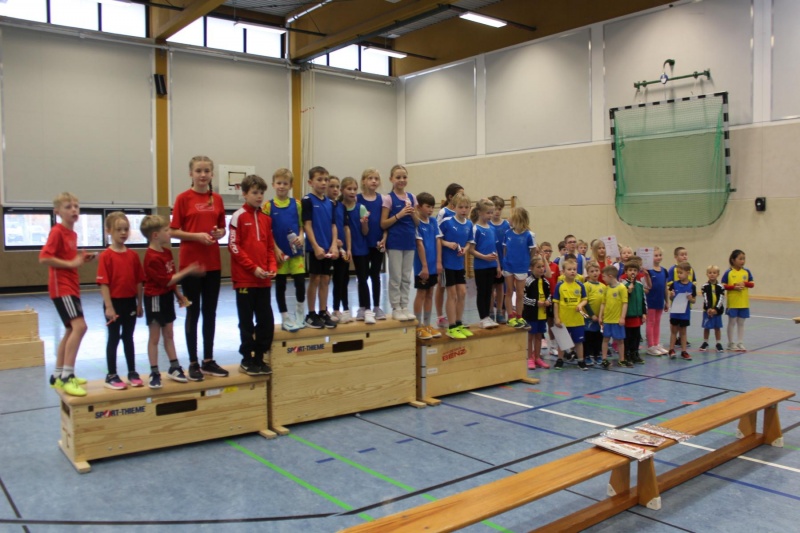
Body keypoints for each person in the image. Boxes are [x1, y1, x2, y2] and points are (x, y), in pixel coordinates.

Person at [170, 155, 229, 381]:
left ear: (212, 174)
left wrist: (219, 233)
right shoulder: (183, 198)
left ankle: (208, 360)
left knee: (210, 313)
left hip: (212, 264)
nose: (203, 175)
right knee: (193, 312)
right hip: (191, 266)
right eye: (198, 171)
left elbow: (222, 228)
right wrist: (196, 236)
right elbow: (173, 231)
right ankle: (193, 362)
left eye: (206, 171)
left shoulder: (217, 199)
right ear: (191, 174)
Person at [39, 192, 96, 397]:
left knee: (70, 329)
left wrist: (80, 259)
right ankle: (67, 376)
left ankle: (57, 375)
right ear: (57, 212)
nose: (74, 210)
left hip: (72, 286)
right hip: (61, 287)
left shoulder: (72, 234)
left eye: (76, 206)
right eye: (68, 207)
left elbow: (69, 259)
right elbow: (44, 257)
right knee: (80, 327)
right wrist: (71, 263)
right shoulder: (57, 232)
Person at [140, 215, 201, 389]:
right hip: (155, 298)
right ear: (155, 235)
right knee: (154, 337)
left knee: (169, 334)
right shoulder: (151, 257)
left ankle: (174, 367)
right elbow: (166, 280)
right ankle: (154, 372)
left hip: (167, 297)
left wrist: (178, 295)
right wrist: (188, 270)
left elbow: (171, 279)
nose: (170, 233)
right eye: (166, 230)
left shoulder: (167, 252)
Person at [229, 174, 277, 376]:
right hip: (245, 280)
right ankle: (247, 359)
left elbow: (269, 248)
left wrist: (272, 267)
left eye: (261, 193)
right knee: (246, 322)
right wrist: (253, 268)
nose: (259, 196)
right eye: (254, 192)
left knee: (266, 321)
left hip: (263, 281)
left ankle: (259, 357)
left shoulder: (266, 219)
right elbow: (234, 246)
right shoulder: (238, 216)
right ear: (245, 194)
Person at [96, 211, 144, 390]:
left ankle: (132, 371)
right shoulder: (106, 256)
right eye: (118, 229)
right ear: (109, 231)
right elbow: (104, 284)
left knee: (128, 337)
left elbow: (139, 282)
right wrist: (109, 307)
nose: (123, 233)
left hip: (130, 302)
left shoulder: (133, 256)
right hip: (114, 304)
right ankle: (111, 374)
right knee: (114, 337)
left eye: (126, 229)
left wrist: (139, 304)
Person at [264, 168, 305, 332]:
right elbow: (267, 231)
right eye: (279, 183)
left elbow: (301, 226)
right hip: (279, 254)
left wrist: (301, 237)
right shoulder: (268, 206)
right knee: (280, 286)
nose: (282, 186)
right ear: (273, 184)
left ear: (290, 185)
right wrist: (275, 249)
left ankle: (300, 312)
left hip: (296, 254)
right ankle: (285, 316)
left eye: (285, 183)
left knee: (300, 284)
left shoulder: (297, 205)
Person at [380, 164, 418, 321]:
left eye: (404, 177)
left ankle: (404, 306)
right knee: (396, 277)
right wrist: (400, 214)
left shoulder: (412, 197)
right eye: (398, 177)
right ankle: (395, 307)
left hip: (409, 241)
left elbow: (417, 223)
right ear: (391, 179)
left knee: (406, 277)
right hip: (395, 242)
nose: (402, 180)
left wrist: (412, 213)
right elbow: (383, 223)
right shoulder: (388, 198)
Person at [303, 166, 338, 329]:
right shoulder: (308, 200)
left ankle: (323, 311)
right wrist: (316, 246)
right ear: (311, 182)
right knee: (315, 279)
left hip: (328, 248)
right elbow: (307, 225)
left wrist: (334, 245)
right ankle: (311, 314)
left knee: (325, 279)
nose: (323, 183)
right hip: (315, 249)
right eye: (319, 179)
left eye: (326, 180)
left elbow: (333, 226)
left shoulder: (331, 203)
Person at [437, 192, 473, 339]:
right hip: (448, 264)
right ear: (454, 207)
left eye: (466, 207)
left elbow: (469, 242)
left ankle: (458, 323)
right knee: (451, 295)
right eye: (460, 207)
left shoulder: (469, 224)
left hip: (459, 265)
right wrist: (447, 244)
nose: (463, 210)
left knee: (462, 293)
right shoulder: (446, 222)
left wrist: (466, 249)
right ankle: (451, 327)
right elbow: (437, 239)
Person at [357, 168, 388, 323]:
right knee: (362, 277)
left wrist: (384, 238)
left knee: (376, 275)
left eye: (376, 178)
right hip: (362, 243)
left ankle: (376, 306)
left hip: (377, 243)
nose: (374, 181)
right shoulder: (357, 199)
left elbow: (385, 223)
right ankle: (363, 307)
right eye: (370, 178)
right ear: (364, 181)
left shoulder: (383, 199)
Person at [342, 176, 372, 324]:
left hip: (360, 247)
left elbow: (365, 232)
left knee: (363, 279)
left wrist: (364, 223)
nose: (353, 192)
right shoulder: (338, 208)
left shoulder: (361, 208)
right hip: (344, 249)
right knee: (343, 279)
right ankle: (345, 310)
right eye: (349, 189)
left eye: (355, 189)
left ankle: (366, 309)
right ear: (342, 190)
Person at [435, 183, 464, 328]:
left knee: (458, 292)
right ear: (450, 197)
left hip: (457, 259)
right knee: (441, 286)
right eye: (459, 194)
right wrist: (446, 244)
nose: (462, 196)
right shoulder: (443, 213)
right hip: (444, 257)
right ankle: (440, 316)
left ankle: (456, 319)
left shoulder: (462, 212)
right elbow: (436, 235)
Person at [412, 192, 441, 340]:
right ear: (418, 207)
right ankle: (418, 326)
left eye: (432, 207)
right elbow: (419, 244)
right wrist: (424, 266)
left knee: (430, 293)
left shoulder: (433, 221)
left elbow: (438, 241)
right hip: (422, 266)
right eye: (427, 206)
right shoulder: (416, 223)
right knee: (421, 293)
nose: (430, 210)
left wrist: (438, 262)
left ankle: (427, 324)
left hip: (433, 265)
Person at [469, 199, 501, 329]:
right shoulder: (475, 229)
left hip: (492, 266)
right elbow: (471, 250)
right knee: (482, 292)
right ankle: (483, 318)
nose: (490, 215)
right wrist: (484, 257)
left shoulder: (492, 228)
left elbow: (495, 249)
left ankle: (487, 316)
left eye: (492, 212)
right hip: (481, 266)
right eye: (488, 213)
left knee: (489, 292)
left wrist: (498, 265)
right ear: (479, 212)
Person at [553, 257, 588, 370]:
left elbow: (585, 299)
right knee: (562, 342)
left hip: (577, 320)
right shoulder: (559, 286)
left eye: (574, 269)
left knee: (579, 342)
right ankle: (560, 360)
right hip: (564, 319)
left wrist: (581, 305)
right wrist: (556, 318)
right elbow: (556, 303)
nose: (572, 271)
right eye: (569, 269)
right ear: (563, 271)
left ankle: (581, 361)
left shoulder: (580, 285)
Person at [503, 207, 536, 328]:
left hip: (521, 267)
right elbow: (505, 249)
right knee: (509, 291)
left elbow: (533, 250)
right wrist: (505, 261)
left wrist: (527, 261)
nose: (508, 219)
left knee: (520, 293)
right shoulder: (507, 233)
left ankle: (519, 316)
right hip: (508, 266)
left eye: (510, 217)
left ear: (517, 219)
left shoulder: (529, 235)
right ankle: (510, 317)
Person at [328, 176, 353, 323]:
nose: (335, 189)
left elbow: (346, 228)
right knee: (329, 280)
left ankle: (344, 309)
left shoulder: (341, 207)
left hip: (342, 249)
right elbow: (324, 226)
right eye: (332, 186)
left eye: (337, 187)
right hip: (329, 248)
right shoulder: (325, 206)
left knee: (343, 279)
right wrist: (333, 241)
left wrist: (348, 248)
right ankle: (329, 309)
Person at [722, 249, 754, 352]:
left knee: (741, 323)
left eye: (744, 259)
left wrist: (745, 283)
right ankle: (731, 343)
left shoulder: (746, 272)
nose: (742, 261)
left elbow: (752, 284)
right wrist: (733, 287)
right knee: (732, 322)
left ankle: (740, 342)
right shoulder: (729, 272)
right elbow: (723, 285)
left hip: (743, 302)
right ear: (733, 260)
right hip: (733, 302)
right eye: (740, 259)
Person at [522, 255, 551, 369]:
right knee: (530, 336)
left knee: (539, 336)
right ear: (531, 268)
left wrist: (548, 301)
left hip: (542, 314)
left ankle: (537, 357)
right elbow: (523, 298)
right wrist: (535, 302)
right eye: (538, 267)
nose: (541, 269)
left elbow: (549, 295)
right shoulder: (527, 281)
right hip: (531, 314)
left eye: (542, 266)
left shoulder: (546, 282)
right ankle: (529, 358)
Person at [599, 265, 628, 368]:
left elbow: (625, 303)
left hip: (617, 320)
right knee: (605, 339)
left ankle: (622, 360)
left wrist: (622, 317)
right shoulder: (606, 289)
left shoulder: (622, 288)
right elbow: (603, 303)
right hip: (607, 320)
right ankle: (604, 359)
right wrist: (600, 316)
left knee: (620, 341)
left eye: (604, 276)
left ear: (610, 276)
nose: (603, 279)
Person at [667, 261, 696, 361]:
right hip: (675, 313)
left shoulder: (692, 286)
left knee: (683, 332)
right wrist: (671, 296)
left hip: (685, 313)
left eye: (681, 273)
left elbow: (694, 300)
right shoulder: (674, 285)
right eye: (678, 273)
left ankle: (684, 351)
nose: (679, 275)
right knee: (673, 331)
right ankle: (671, 349)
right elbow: (671, 298)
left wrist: (690, 299)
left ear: (688, 273)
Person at [488, 195, 510, 324]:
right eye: (495, 209)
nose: (497, 212)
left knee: (501, 287)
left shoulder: (506, 225)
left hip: (503, 261)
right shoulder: (488, 224)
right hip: (490, 260)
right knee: (491, 288)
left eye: (499, 209)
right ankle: (491, 311)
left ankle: (500, 312)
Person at [621, 261, 647, 365]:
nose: (632, 272)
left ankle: (635, 353)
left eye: (635, 270)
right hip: (628, 316)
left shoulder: (640, 285)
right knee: (628, 337)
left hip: (637, 316)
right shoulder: (623, 285)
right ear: (626, 272)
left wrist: (644, 313)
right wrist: (628, 291)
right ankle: (627, 354)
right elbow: (621, 300)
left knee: (636, 337)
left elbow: (643, 300)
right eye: (630, 270)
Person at [645, 246, 669, 356]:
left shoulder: (664, 271)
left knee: (657, 323)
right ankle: (651, 346)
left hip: (660, 301)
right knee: (650, 322)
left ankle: (656, 343)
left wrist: (667, 301)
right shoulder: (648, 271)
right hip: (650, 301)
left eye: (660, 255)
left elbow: (665, 287)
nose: (658, 257)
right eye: (656, 255)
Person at [583, 261, 605, 367]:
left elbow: (605, 302)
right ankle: (587, 355)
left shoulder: (603, 286)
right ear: (588, 273)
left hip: (600, 318)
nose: (595, 273)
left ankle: (597, 354)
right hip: (589, 317)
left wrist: (602, 315)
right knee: (588, 336)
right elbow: (585, 302)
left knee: (598, 336)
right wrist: (592, 315)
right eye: (592, 271)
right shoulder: (586, 286)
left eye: (596, 270)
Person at [700, 265, 725, 353]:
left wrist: (716, 309)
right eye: (710, 273)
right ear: (707, 274)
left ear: (718, 274)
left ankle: (718, 343)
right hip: (707, 311)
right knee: (706, 327)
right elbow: (705, 298)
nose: (712, 274)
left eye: (714, 273)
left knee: (717, 327)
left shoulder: (721, 287)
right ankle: (705, 342)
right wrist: (709, 309)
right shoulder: (704, 286)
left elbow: (721, 299)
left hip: (717, 312)